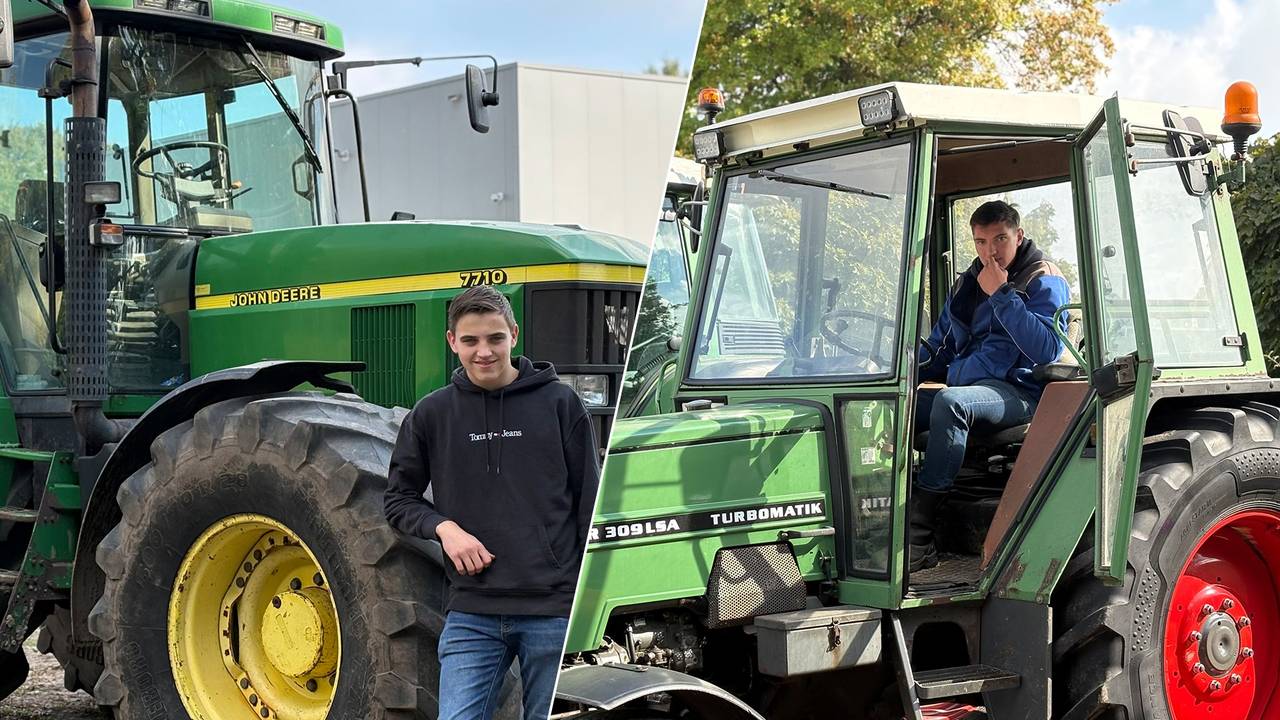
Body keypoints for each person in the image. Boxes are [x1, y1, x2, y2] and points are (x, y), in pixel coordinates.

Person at [384, 284, 600, 720]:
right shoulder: (431, 414)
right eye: (470, 341)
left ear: (513, 336)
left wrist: (582, 600)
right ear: (452, 343)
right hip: (472, 613)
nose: (484, 352)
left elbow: (589, 504)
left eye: (495, 338)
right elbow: (399, 500)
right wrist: (445, 529)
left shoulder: (561, 404)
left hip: (552, 612)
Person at [911, 200, 1069, 571]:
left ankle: (919, 533)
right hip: (973, 385)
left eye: (999, 239)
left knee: (951, 403)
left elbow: (1046, 348)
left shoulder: (1042, 278)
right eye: (981, 242)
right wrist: (900, 375)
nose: (990, 251)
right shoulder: (968, 284)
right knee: (891, 405)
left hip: (1020, 392)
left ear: (1018, 235)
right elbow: (941, 346)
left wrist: (1002, 294)